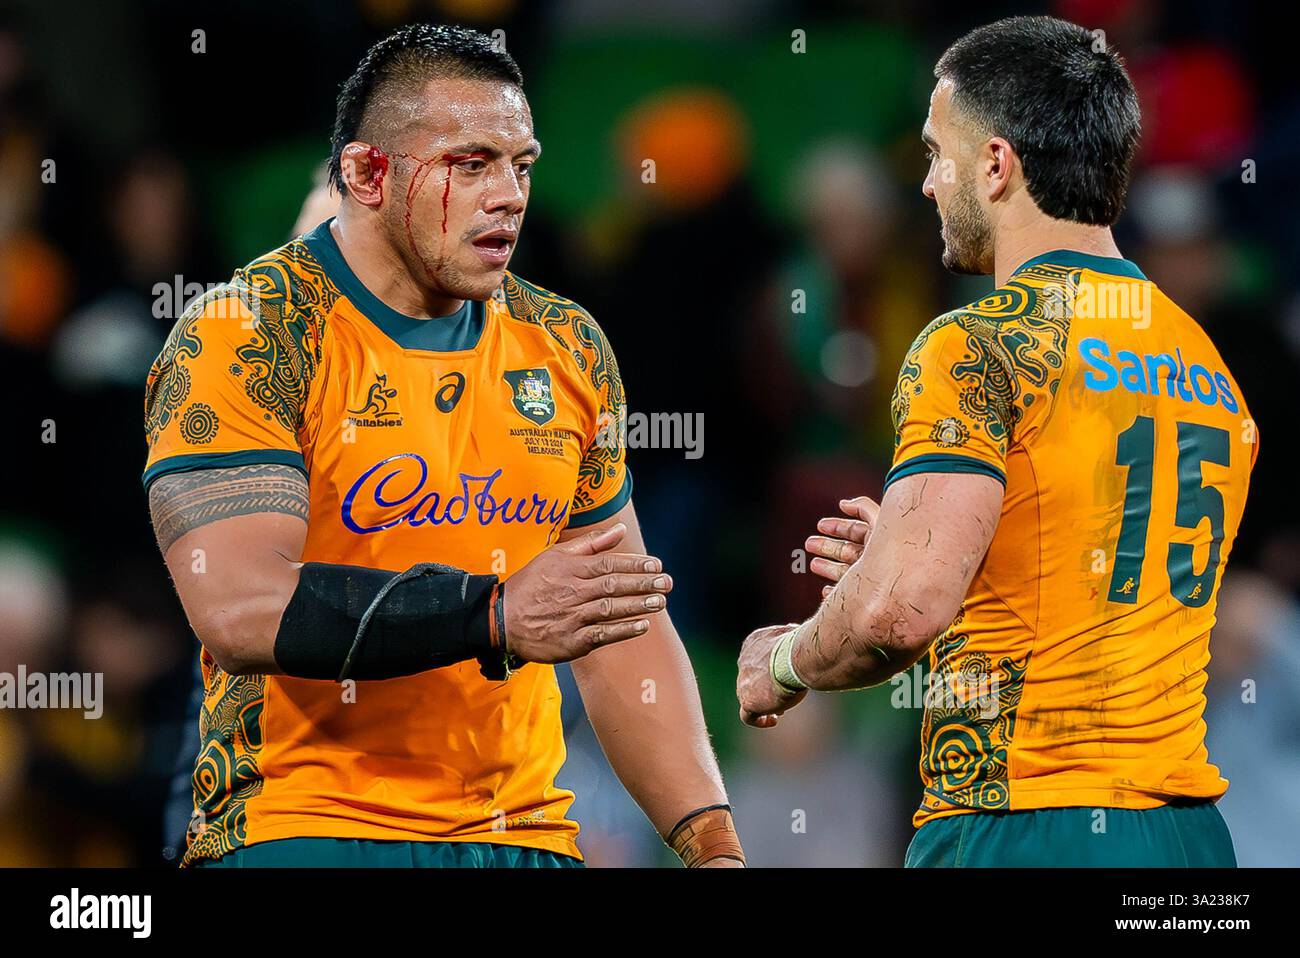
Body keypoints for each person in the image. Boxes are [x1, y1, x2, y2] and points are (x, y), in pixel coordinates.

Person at [144, 23, 741, 868]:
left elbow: (618, 625)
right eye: (471, 164)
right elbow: (241, 607)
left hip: (526, 839)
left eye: (521, 165)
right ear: (366, 173)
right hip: (308, 828)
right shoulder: (249, 334)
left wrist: (712, 844)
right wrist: (491, 615)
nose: (509, 196)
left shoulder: (565, 346)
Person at [736, 15, 1257, 867]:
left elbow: (895, 616)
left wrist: (784, 662)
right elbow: (1090, 565)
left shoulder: (979, 343)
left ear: (996, 164)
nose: (930, 185)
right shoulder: (1205, 364)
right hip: (1186, 840)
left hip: (1026, 823)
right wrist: (931, 546)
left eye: (938, 155)